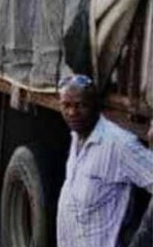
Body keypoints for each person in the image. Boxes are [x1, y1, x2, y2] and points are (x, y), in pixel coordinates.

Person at [56, 75, 153, 247]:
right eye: (66, 105)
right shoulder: (76, 136)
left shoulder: (119, 144)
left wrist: (141, 240)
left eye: (80, 105)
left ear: (95, 106)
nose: (72, 112)